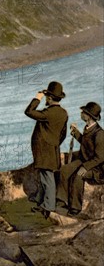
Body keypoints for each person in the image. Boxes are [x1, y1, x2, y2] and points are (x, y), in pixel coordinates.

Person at [24, 81, 68, 218]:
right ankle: (40, 200)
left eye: (46, 97)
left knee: (47, 178)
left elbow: (29, 111)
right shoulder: (63, 113)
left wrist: (37, 97)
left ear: (49, 98)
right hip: (52, 148)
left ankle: (48, 206)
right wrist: (54, 143)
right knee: (45, 176)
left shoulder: (47, 113)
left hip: (44, 150)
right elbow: (63, 134)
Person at [56, 102, 104, 216]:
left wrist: (85, 167)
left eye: (83, 112)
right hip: (85, 160)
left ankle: (75, 208)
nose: (81, 113)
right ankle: (61, 200)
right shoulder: (88, 128)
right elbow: (85, 143)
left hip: (97, 169)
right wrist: (75, 133)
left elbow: (100, 157)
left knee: (78, 175)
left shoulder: (100, 134)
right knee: (64, 170)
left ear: (89, 116)